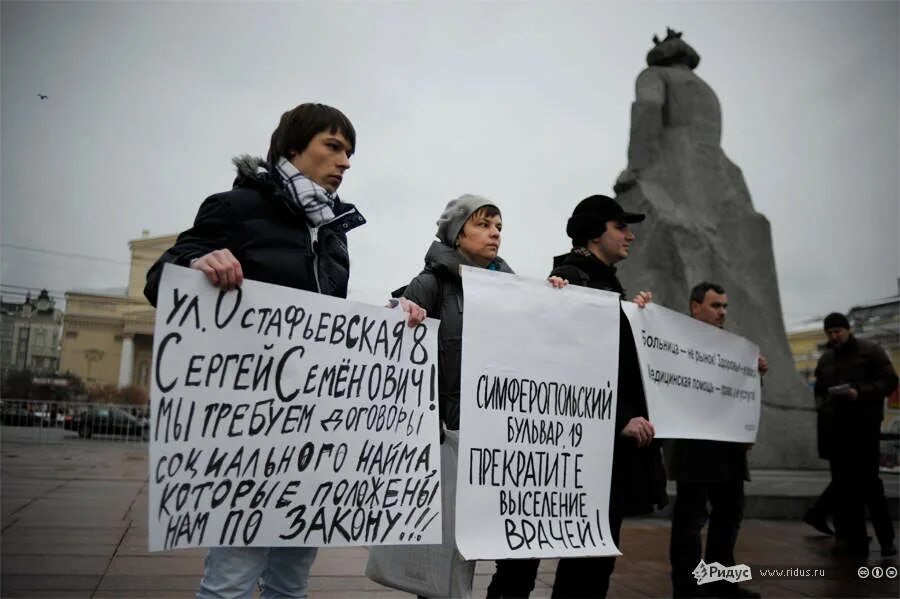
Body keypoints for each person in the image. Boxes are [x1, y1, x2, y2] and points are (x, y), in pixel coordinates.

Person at [144, 102, 425, 599]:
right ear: (293, 148)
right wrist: (197, 260)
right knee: (230, 579)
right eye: (333, 147)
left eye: (350, 152)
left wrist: (389, 322)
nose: (345, 162)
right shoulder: (234, 207)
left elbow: (326, 325)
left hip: (308, 436)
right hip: (245, 432)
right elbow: (162, 276)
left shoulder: (334, 234)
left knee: (291, 582)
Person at [489, 194, 667, 599]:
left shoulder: (602, 284)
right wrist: (620, 417)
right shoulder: (571, 282)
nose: (630, 235)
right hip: (589, 447)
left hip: (600, 446)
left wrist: (637, 321)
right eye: (620, 226)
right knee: (583, 559)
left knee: (592, 555)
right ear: (594, 233)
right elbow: (567, 368)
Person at [395, 194, 565, 599]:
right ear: (457, 234)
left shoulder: (519, 291)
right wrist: (400, 314)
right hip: (450, 440)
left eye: (499, 227)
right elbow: (400, 359)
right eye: (484, 224)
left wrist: (559, 300)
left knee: (520, 553)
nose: (495, 234)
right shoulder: (430, 285)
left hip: (505, 439)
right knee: (446, 562)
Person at [667, 282, 766, 599]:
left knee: (728, 517)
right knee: (690, 521)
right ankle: (686, 588)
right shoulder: (677, 340)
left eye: (725, 306)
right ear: (695, 306)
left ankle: (721, 584)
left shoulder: (733, 347)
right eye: (715, 305)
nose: (722, 312)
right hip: (694, 449)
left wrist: (754, 372)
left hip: (729, 449)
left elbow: (737, 393)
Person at [813, 312, 897, 557]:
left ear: (848, 329)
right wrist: (827, 404)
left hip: (864, 429)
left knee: (871, 486)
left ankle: (886, 541)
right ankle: (851, 541)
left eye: (838, 331)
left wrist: (859, 393)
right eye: (829, 333)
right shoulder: (826, 359)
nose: (834, 336)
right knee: (842, 489)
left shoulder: (871, 351)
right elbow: (819, 392)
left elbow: (890, 381)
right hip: (837, 431)